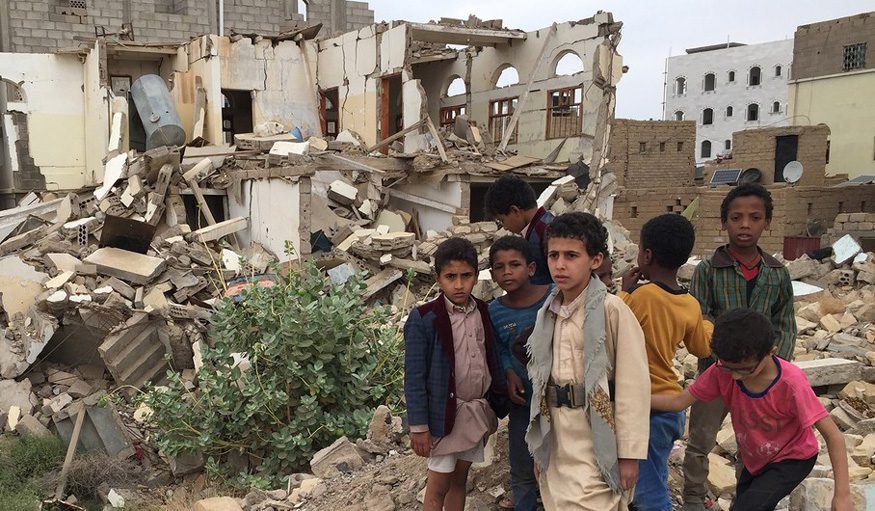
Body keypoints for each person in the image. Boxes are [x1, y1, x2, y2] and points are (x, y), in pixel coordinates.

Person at [652, 309, 852, 511]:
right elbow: (679, 402)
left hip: (792, 457)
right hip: (755, 461)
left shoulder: (791, 382)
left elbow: (833, 435)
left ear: (770, 353)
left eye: (746, 369)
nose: (736, 377)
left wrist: (842, 495)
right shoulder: (721, 371)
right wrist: (629, 398)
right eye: (728, 368)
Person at [682, 183, 797, 511]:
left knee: (756, 441)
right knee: (700, 439)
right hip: (716, 373)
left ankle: (748, 499)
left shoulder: (777, 274)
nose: (745, 224)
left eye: (754, 217)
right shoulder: (708, 270)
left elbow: (785, 322)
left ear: (767, 223)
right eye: (736, 217)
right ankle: (692, 496)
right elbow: (699, 317)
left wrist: (776, 366)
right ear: (724, 223)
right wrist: (725, 358)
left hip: (762, 379)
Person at [525, 212, 650, 510]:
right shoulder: (548, 313)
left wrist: (629, 455)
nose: (560, 264)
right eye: (553, 255)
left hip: (596, 437)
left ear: (595, 260)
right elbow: (543, 381)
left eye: (571, 255)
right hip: (558, 439)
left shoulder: (611, 310)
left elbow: (633, 386)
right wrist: (541, 451)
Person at [404, 237, 509, 511]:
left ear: (476, 276)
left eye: (466, 276)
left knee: (460, 480)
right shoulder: (425, 318)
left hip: (475, 414)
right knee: (437, 486)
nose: (459, 284)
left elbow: (493, 360)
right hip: (443, 416)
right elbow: (414, 377)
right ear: (439, 279)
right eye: (451, 276)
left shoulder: (484, 312)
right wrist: (419, 427)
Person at [619, 214, 712, 511]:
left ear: (646, 255)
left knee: (648, 493)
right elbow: (701, 347)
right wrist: (709, 324)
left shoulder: (641, 297)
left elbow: (612, 330)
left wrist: (624, 289)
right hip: (670, 403)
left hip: (646, 407)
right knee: (654, 475)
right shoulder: (689, 304)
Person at [488, 236, 553, 511]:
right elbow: (500, 347)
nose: (507, 272)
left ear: (531, 268)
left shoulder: (553, 297)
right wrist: (507, 372)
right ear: (492, 274)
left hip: (557, 402)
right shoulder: (494, 310)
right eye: (500, 267)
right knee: (522, 470)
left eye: (514, 264)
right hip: (522, 404)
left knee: (558, 468)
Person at [484, 175, 555, 284]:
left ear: (515, 211)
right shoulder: (544, 225)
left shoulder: (543, 233)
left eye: (502, 220)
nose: (505, 227)